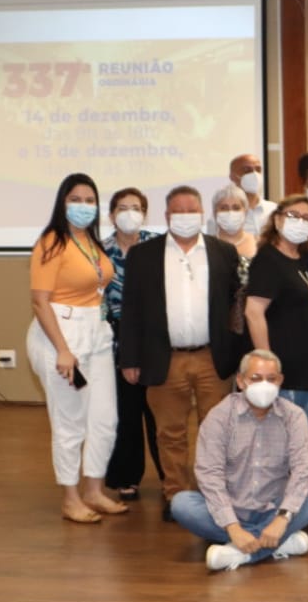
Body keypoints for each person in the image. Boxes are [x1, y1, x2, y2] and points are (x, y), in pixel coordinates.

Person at [118, 186, 241, 515]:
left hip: (212, 358)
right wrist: (130, 359)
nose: (186, 217)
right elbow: (131, 310)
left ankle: (213, 494)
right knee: (169, 433)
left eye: (192, 211)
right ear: (167, 216)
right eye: (178, 211)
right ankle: (176, 496)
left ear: (202, 214)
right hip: (163, 358)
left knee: (216, 432)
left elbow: (235, 308)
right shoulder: (143, 255)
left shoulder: (223, 252)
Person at [169, 349, 308, 572]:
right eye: (256, 378)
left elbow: (303, 469)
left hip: (275, 508)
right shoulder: (219, 416)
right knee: (182, 504)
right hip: (230, 509)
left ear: (280, 381)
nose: (264, 385)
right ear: (241, 381)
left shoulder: (293, 416)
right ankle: (277, 543)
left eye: (271, 379)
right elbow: (209, 473)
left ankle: (242, 553)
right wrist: (233, 527)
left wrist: (282, 519)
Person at [27, 173, 124, 523]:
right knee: (70, 421)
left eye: (89, 200)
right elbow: (39, 301)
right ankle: (70, 498)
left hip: (96, 334)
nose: (83, 206)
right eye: (75, 199)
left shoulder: (90, 241)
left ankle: (94, 491)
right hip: (62, 335)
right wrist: (63, 351)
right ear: (62, 203)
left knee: (105, 419)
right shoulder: (51, 242)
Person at [244, 196, 308, 422]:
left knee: (300, 434)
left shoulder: (302, 258)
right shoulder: (268, 259)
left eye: (307, 218)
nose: (301, 222)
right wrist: (267, 365)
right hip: (285, 371)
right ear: (277, 220)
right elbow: (253, 312)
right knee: (282, 434)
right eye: (293, 216)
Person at [101, 187, 161, 502]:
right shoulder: (101, 250)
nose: (129, 213)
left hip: (155, 338)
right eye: (122, 208)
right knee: (126, 411)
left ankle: (169, 478)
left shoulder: (159, 245)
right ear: (111, 215)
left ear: (145, 213)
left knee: (160, 411)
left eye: (136, 207)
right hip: (117, 339)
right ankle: (127, 477)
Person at [218, 153, 276, 237]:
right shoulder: (224, 212)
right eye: (247, 170)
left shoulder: (273, 209)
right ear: (232, 176)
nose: (255, 174)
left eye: (258, 169)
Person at [210, 184, 258, 261]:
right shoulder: (206, 246)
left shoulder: (258, 244)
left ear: (245, 212)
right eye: (224, 208)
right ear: (215, 213)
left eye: (236, 208)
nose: (230, 213)